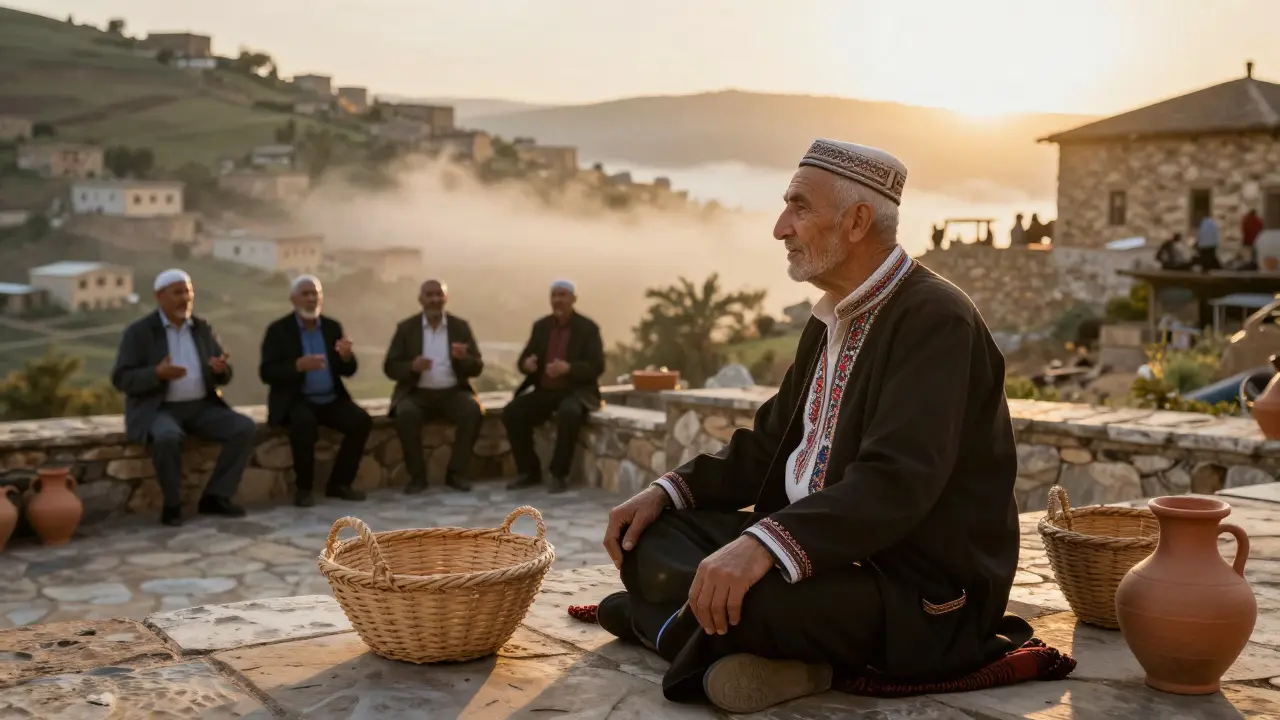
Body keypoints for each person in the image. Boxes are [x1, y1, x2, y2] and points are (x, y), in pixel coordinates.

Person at [597, 139, 1027, 714]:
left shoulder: (935, 320)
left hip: (914, 588)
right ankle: (696, 637)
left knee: (754, 600)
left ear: (855, 221)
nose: (781, 227)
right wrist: (664, 492)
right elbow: (769, 443)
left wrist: (764, 546)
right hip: (814, 556)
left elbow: (895, 482)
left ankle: (663, 624)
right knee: (648, 538)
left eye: (799, 208)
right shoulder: (831, 315)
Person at [111, 269, 255, 526]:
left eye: (188, 291)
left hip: (201, 408)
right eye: (178, 292)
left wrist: (220, 371)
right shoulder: (140, 332)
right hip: (159, 409)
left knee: (243, 428)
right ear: (160, 296)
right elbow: (121, 378)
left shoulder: (202, 328)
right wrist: (157, 373)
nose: (185, 298)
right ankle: (172, 504)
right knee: (167, 437)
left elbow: (223, 371)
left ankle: (216, 497)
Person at [258, 275, 371, 507]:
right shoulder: (279, 330)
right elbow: (266, 372)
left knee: (361, 422)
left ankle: (339, 484)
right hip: (297, 400)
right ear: (293, 299)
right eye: (305, 294)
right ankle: (304, 489)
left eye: (315, 294)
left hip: (331, 399)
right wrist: (296, 366)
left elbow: (348, 370)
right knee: (303, 424)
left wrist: (347, 357)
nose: (311, 299)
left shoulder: (332, 327)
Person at [503, 280, 604, 493]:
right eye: (554, 295)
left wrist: (568, 368)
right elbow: (524, 359)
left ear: (573, 299)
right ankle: (528, 471)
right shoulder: (541, 326)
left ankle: (559, 474)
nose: (558, 300)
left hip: (576, 391)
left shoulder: (587, 328)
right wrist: (526, 365)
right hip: (545, 390)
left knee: (569, 412)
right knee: (513, 412)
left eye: (563, 295)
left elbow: (597, 365)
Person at [383, 279, 484, 494]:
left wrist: (464, 358)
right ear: (421, 299)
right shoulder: (406, 328)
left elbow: (477, 367)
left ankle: (456, 473)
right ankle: (417, 477)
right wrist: (412, 366)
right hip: (417, 394)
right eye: (429, 295)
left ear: (446, 298)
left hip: (453, 392)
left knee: (472, 410)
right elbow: (390, 367)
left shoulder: (460, 327)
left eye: (439, 295)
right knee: (405, 414)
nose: (434, 299)